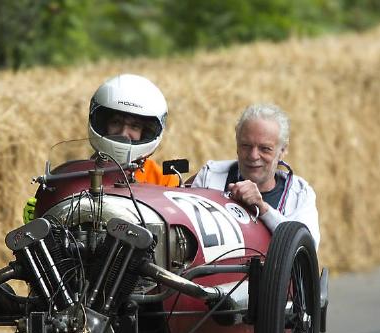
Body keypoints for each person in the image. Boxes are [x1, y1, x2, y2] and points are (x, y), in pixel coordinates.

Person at [23, 73, 178, 224]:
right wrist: (41, 213)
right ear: (104, 124)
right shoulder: (76, 175)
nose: (123, 133)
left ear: (146, 132)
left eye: (134, 126)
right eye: (116, 122)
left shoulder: (164, 180)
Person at [191, 103, 320, 249]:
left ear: (282, 150)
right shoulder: (210, 177)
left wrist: (263, 209)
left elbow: (307, 247)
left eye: (265, 149)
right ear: (237, 144)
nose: (253, 156)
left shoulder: (300, 194)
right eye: (246, 145)